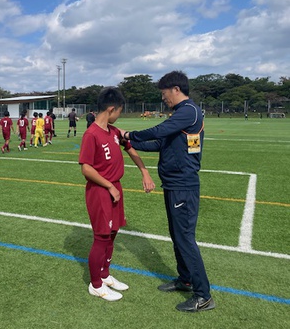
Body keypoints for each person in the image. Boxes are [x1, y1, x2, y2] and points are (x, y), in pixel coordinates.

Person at [120, 70, 214, 312]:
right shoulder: (182, 115)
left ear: (175, 89)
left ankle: (203, 295)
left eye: (164, 94)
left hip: (183, 185)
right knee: (177, 236)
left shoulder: (188, 111)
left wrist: (130, 134)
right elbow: (160, 143)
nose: (164, 99)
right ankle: (185, 279)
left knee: (185, 238)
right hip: (173, 184)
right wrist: (128, 143)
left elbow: (159, 131)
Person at [79, 87, 155, 301]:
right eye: (119, 111)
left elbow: (130, 149)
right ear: (111, 109)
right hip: (101, 190)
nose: (119, 115)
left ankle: (105, 275)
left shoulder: (113, 132)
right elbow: (86, 168)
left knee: (113, 233)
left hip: (115, 188)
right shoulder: (91, 134)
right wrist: (109, 186)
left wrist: (145, 171)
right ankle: (95, 285)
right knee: (101, 237)